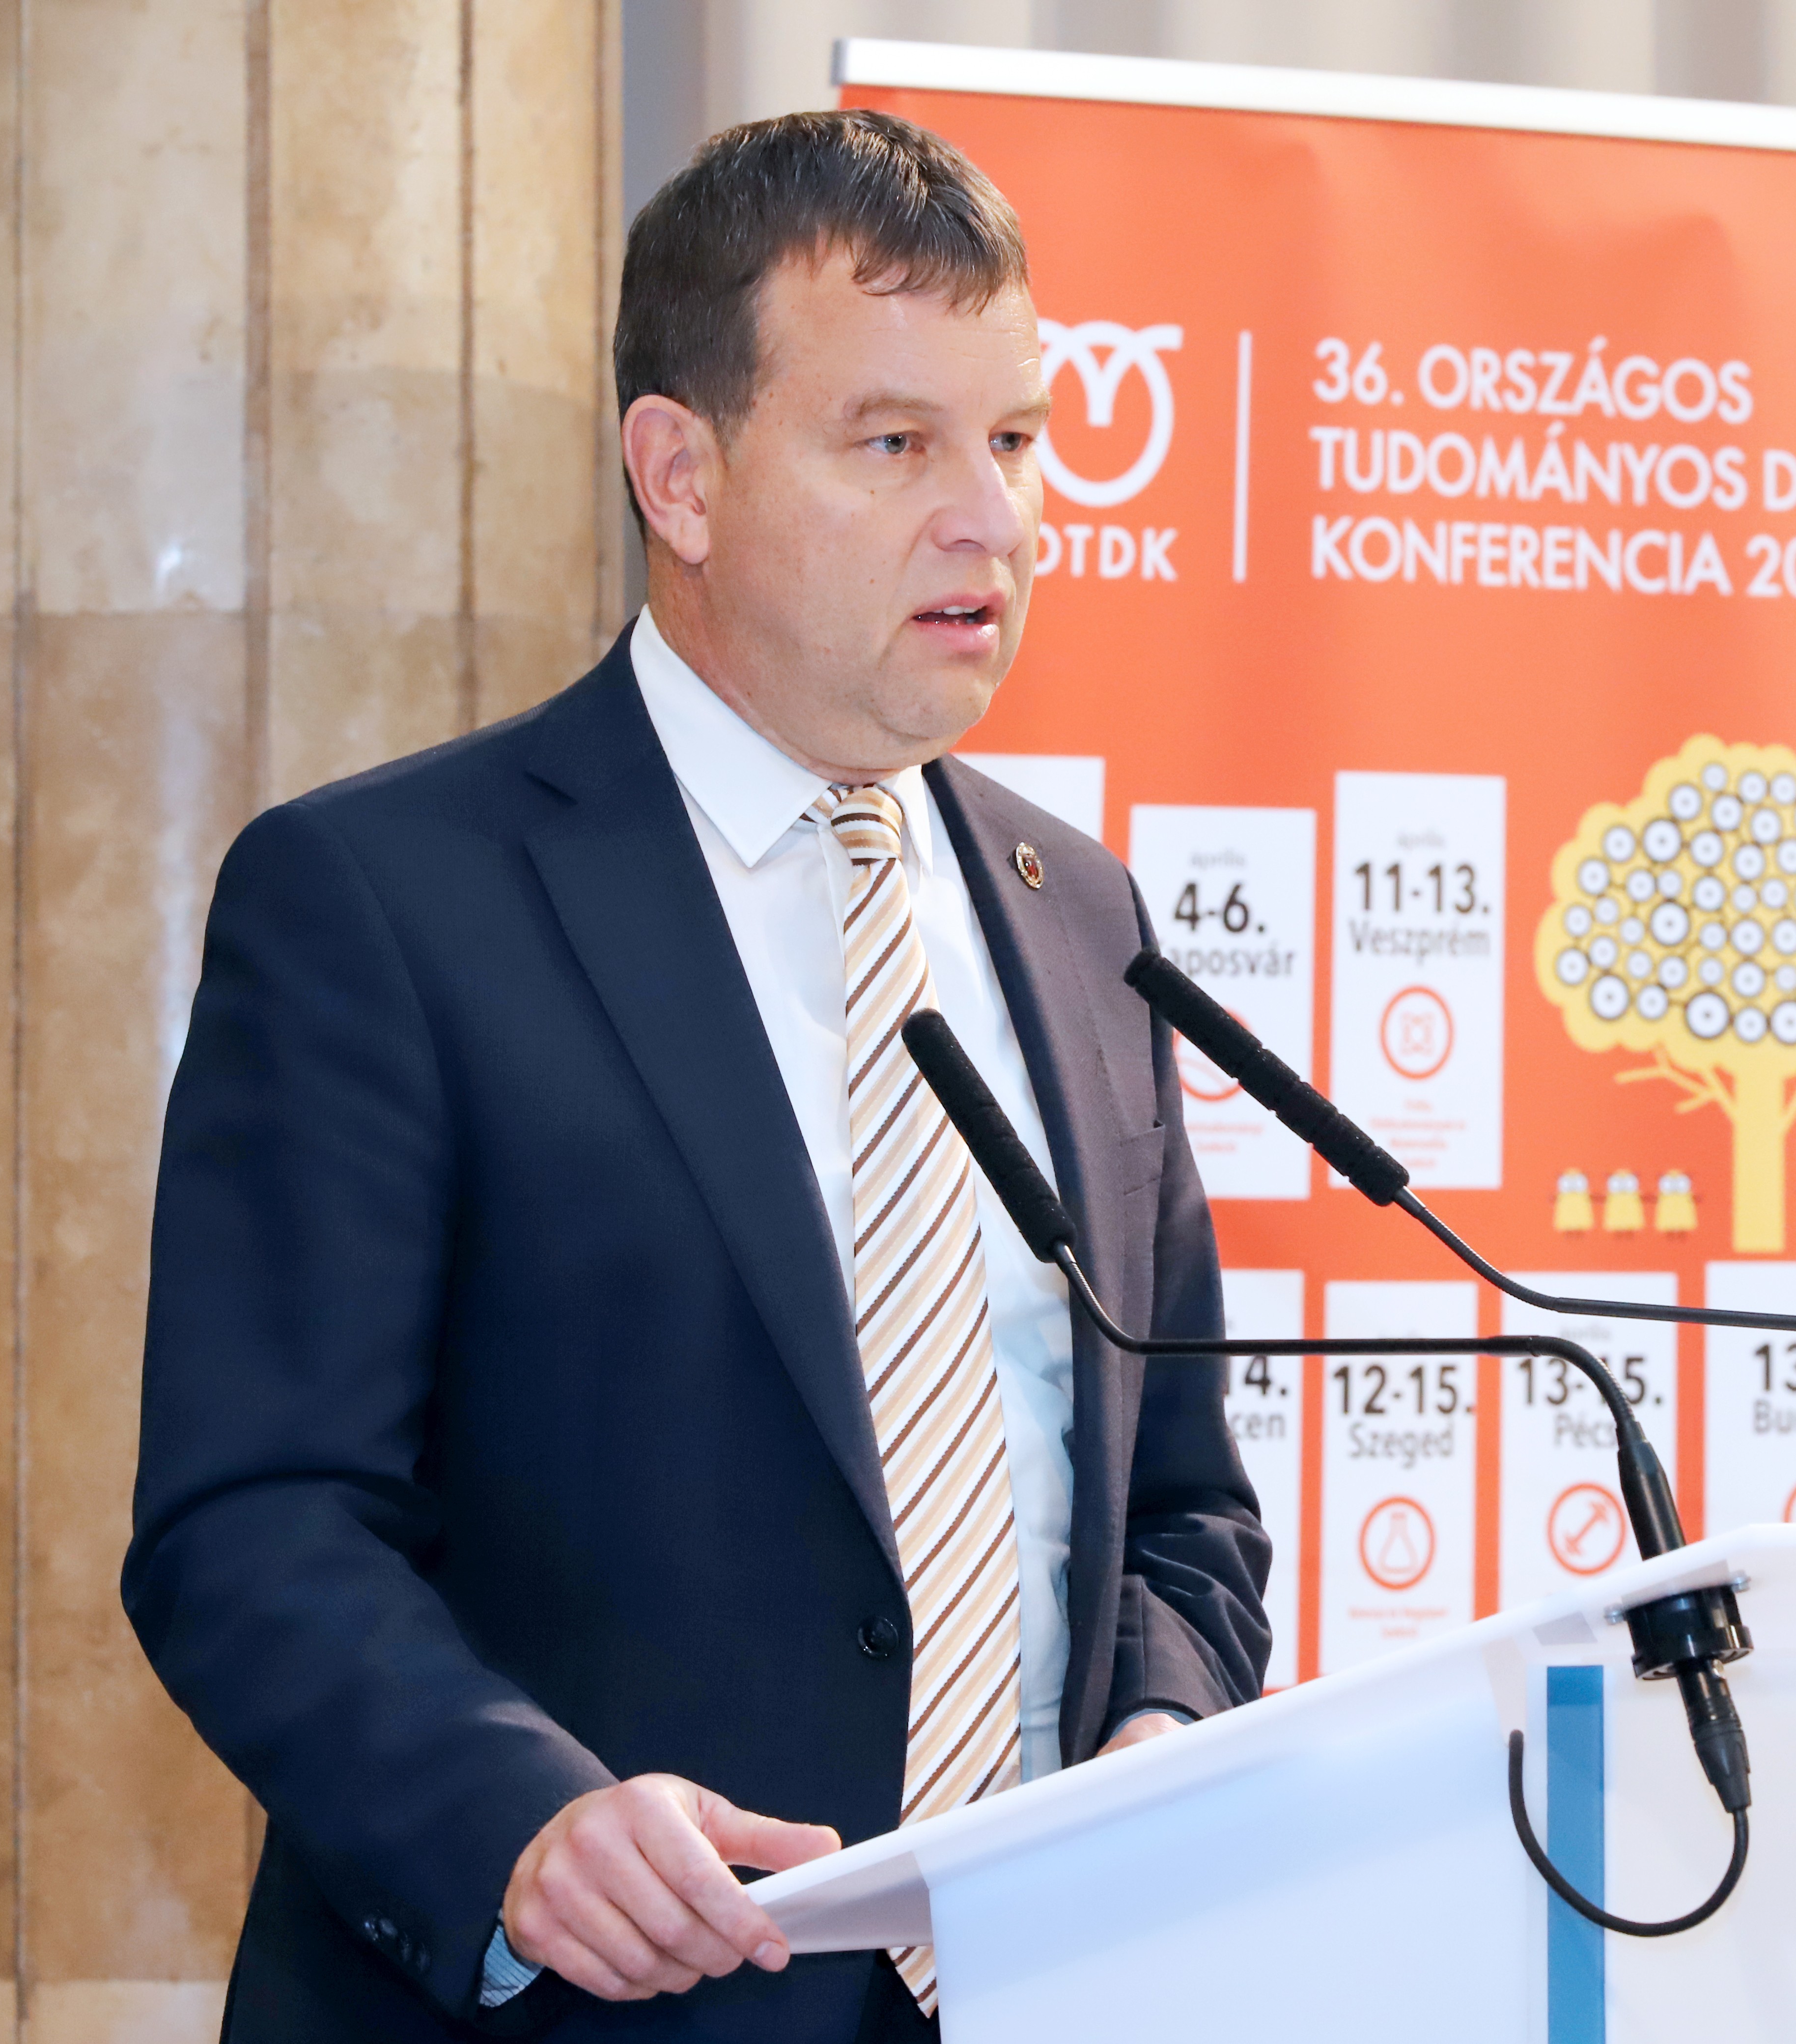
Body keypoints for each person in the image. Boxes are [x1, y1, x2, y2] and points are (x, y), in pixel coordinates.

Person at [122, 110, 1268, 2042]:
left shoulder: (1079, 915)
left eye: (1016, 441)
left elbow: (1181, 1509)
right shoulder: (387, 901)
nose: (991, 518)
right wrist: (521, 1822)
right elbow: (255, 1522)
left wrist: (1165, 1728)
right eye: (894, 444)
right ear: (683, 475)